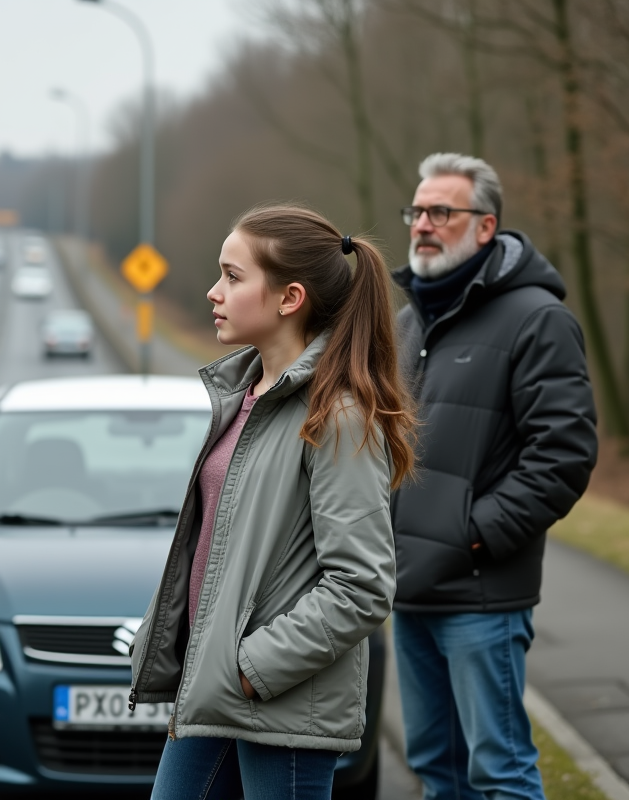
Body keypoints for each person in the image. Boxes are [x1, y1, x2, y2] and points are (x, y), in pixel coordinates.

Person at [127, 204, 415, 799]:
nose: (214, 292)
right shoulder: (247, 400)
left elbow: (362, 585)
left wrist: (252, 669)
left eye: (233, 277)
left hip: (276, 704)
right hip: (216, 688)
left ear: (289, 298)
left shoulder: (335, 418)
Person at [390, 153, 597, 799]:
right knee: (436, 772)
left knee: (500, 773)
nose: (423, 224)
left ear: (485, 227)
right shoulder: (405, 323)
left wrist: (471, 536)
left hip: (481, 596)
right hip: (408, 594)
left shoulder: (538, 319)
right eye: (417, 211)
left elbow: (563, 455)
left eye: (441, 212)